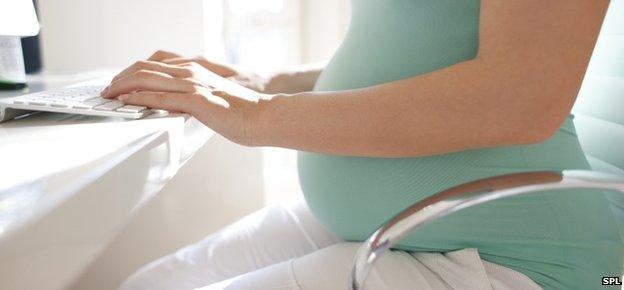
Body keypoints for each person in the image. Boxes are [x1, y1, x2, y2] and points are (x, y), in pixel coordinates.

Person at [105, 0, 622, 289]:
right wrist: (260, 82)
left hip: (514, 257)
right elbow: (415, 46)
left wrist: (253, 115)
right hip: (388, 223)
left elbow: (518, 99)